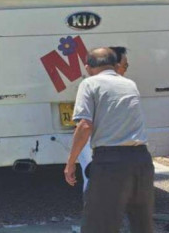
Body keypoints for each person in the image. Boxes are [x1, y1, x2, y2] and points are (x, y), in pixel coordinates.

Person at [65, 47, 153, 232]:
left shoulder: (89, 84)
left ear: (88, 67)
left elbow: (85, 126)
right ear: (115, 65)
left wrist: (71, 162)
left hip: (111, 162)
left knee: (99, 223)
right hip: (142, 160)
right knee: (141, 223)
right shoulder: (130, 83)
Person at [78, 46, 129, 192]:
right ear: (114, 66)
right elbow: (85, 125)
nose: (125, 69)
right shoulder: (94, 87)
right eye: (124, 65)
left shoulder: (125, 86)